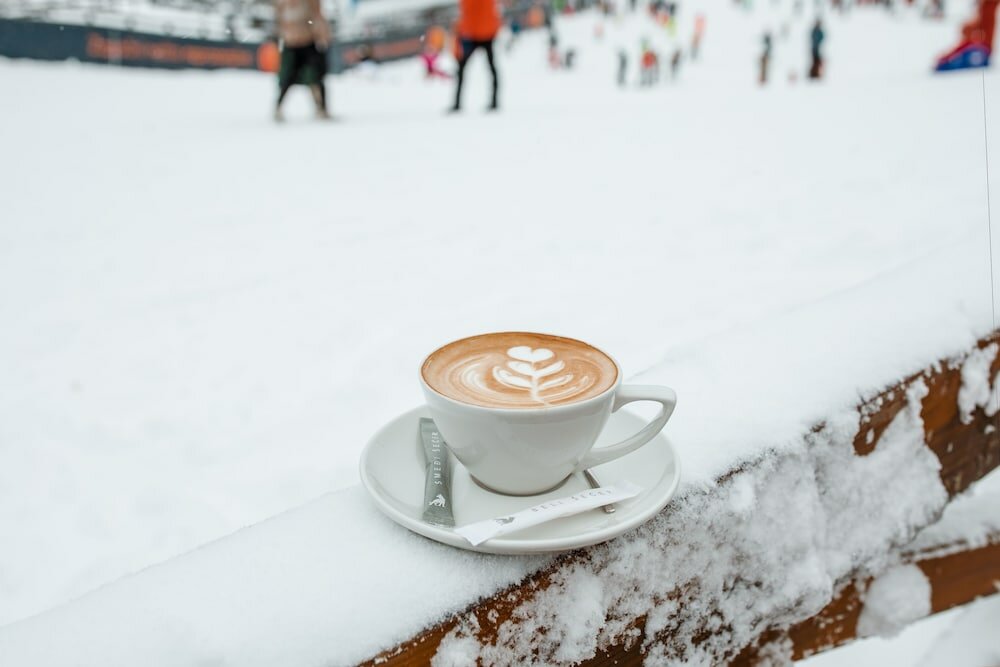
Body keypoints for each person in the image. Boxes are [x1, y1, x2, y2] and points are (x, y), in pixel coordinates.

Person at [273, 0, 331, 121]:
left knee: (315, 76)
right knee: (287, 78)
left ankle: (321, 108)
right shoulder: (282, 4)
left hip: (308, 42)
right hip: (291, 44)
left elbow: (317, 16)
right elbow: (280, 20)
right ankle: (278, 107)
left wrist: (322, 36)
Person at [451, 0, 502, 111]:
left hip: (474, 33)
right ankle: (494, 101)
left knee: (462, 68)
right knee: (491, 67)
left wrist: (460, 32)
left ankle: (457, 103)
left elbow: (465, 12)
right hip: (484, 32)